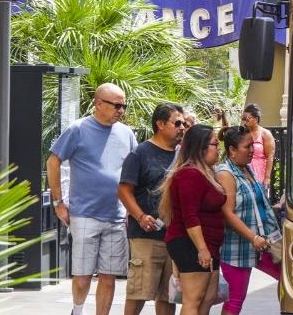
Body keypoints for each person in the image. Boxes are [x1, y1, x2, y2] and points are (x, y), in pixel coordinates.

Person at [47, 83, 138, 315]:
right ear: (99, 104)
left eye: (124, 105)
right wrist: (58, 202)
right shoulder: (78, 129)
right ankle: (77, 310)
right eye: (117, 105)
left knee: (109, 276)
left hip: (116, 215)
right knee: (83, 275)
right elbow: (53, 161)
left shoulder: (126, 133)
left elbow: (134, 169)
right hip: (84, 213)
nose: (121, 110)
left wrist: (132, 208)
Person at [118, 103, 186, 315]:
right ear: (160, 124)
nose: (182, 127)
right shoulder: (140, 153)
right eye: (177, 123)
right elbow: (123, 190)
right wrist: (140, 217)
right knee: (139, 291)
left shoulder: (181, 154)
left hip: (174, 237)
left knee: (168, 295)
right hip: (146, 236)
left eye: (183, 123)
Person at [159, 124, 226, 315]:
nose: (218, 148)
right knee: (193, 299)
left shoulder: (206, 172)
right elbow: (190, 216)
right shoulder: (190, 174)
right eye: (214, 144)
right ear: (201, 147)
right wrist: (202, 249)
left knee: (208, 297)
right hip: (191, 242)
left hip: (208, 242)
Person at [216, 125, 281, 314]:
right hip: (239, 246)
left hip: (265, 242)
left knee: (288, 278)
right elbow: (228, 214)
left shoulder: (247, 169)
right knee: (235, 300)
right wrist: (253, 238)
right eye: (247, 146)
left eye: (253, 145)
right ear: (232, 151)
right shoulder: (225, 174)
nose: (252, 150)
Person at [240, 104, 276, 190]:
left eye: (248, 118)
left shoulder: (265, 133)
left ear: (256, 118)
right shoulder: (243, 133)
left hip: (259, 171)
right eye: (244, 119)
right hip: (244, 171)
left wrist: (267, 177)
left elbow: (270, 156)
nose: (245, 121)